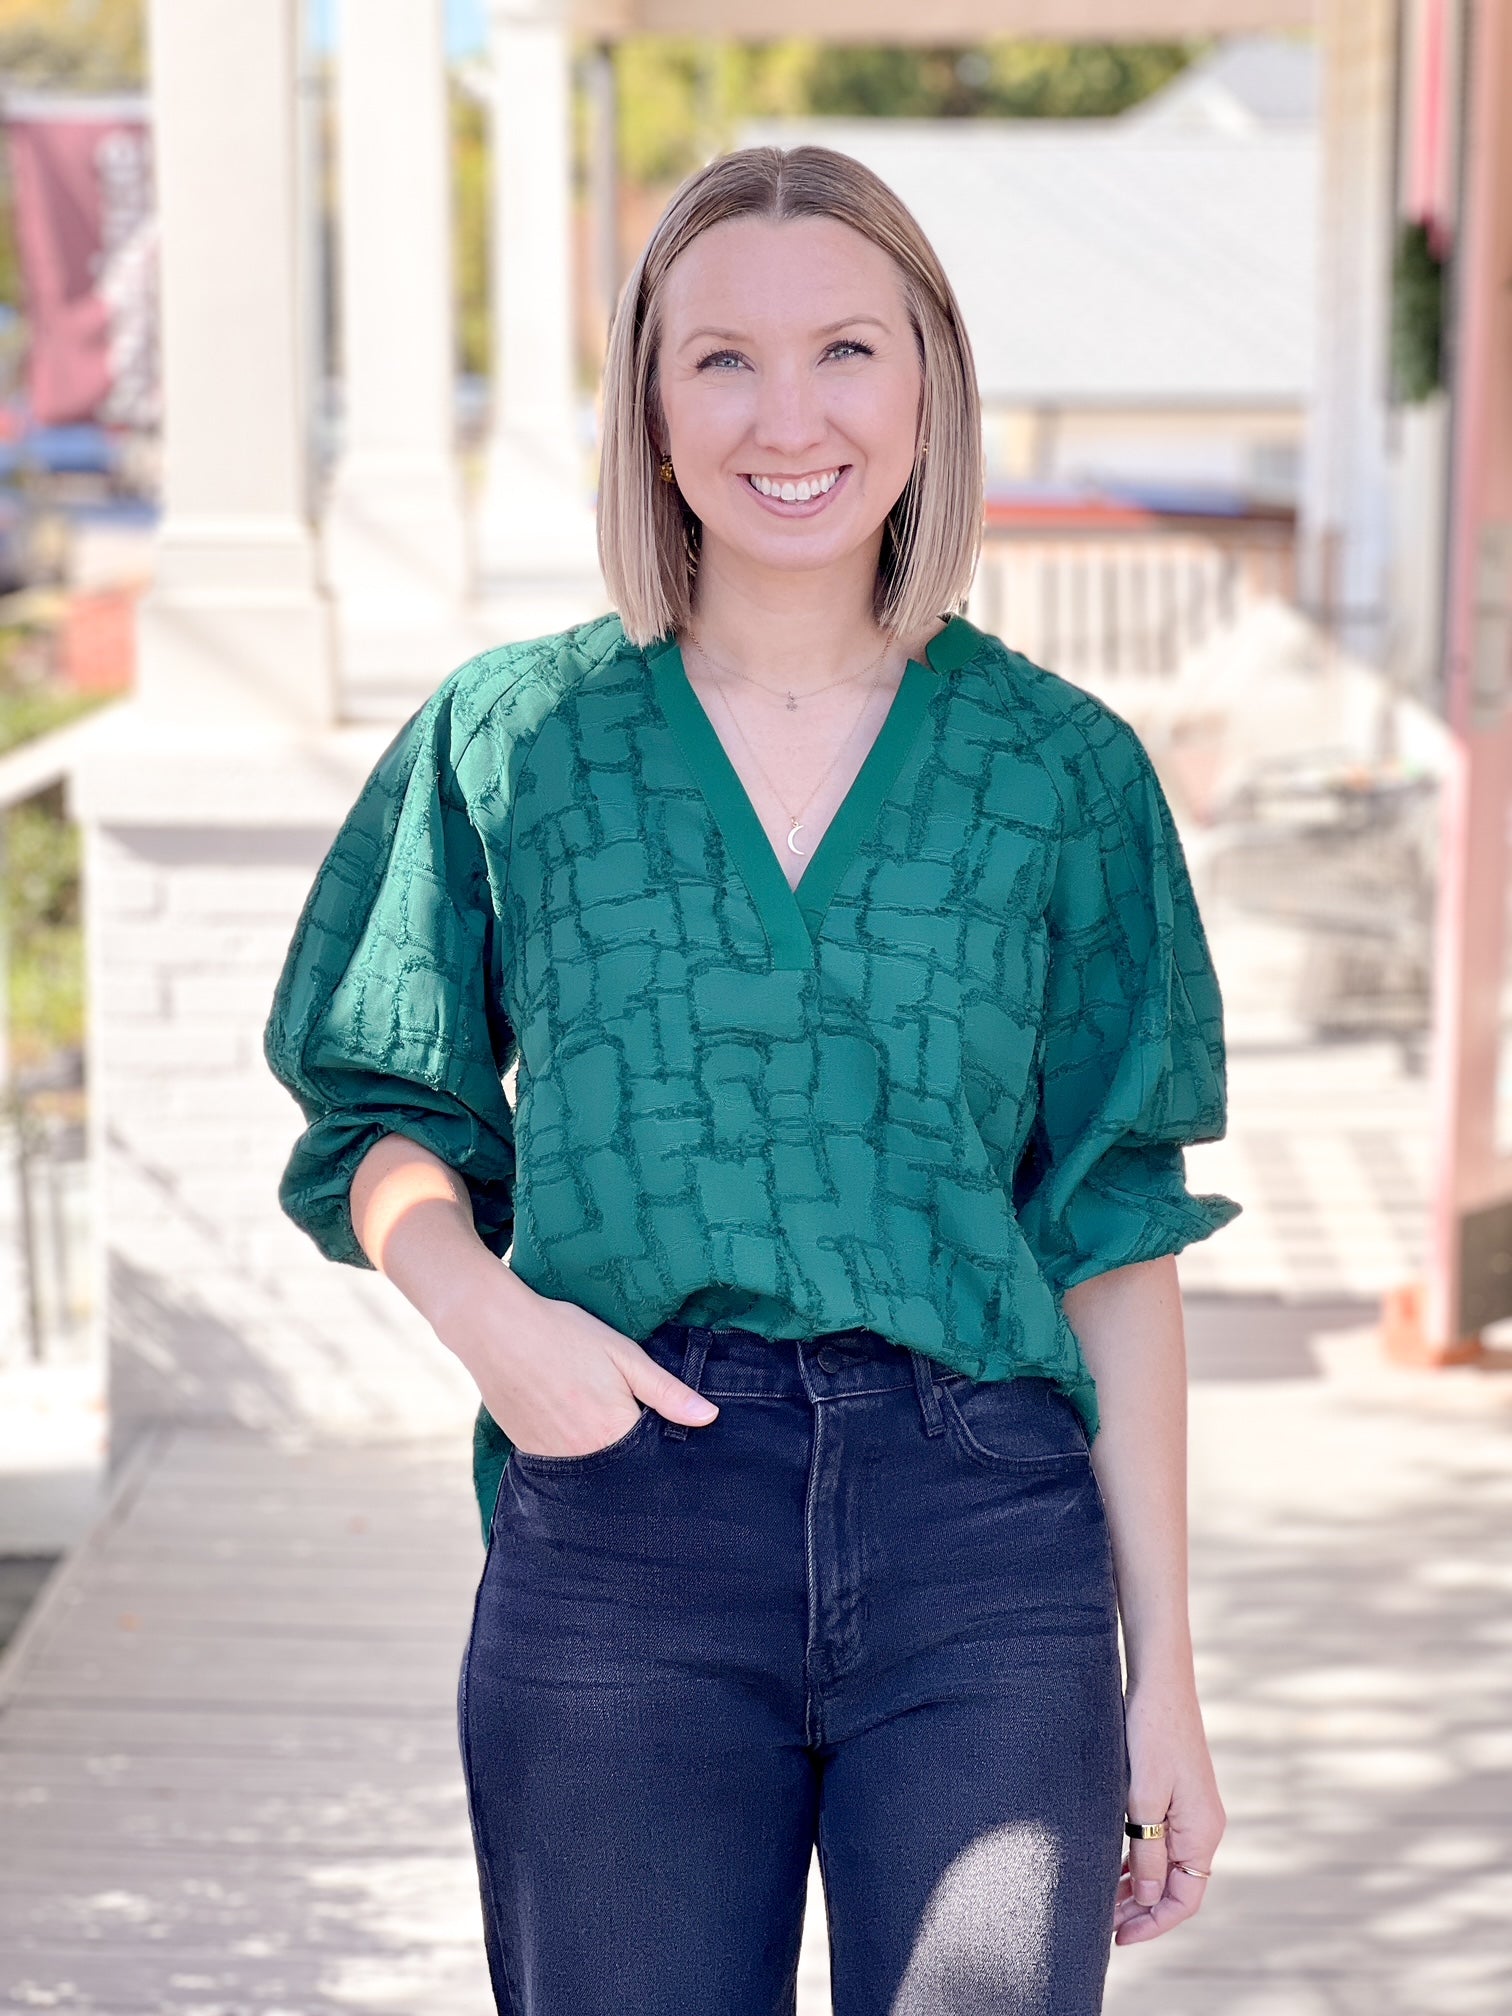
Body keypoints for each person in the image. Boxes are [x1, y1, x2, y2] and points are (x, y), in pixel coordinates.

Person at [264, 143, 1240, 2016]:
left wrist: (1168, 1678)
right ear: (649, 400)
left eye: (846, 350)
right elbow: (379, 1111)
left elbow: (1115, 1235)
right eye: (722, 358)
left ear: (931, 381)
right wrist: (492, 1324)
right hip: (626, 1514)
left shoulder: (1062, 772)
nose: (789, 418)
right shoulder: (516, 737)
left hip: (984, 1544)